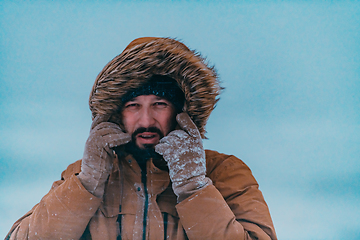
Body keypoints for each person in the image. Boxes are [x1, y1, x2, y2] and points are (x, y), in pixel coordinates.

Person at [6, 37, 277, 240]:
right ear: (117, 113)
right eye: (133, 105)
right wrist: (87, 184)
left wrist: (194, 186)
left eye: (159, 103)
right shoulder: (83, 174)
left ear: (181, 110)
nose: (146, 121)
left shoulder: (224, 172)